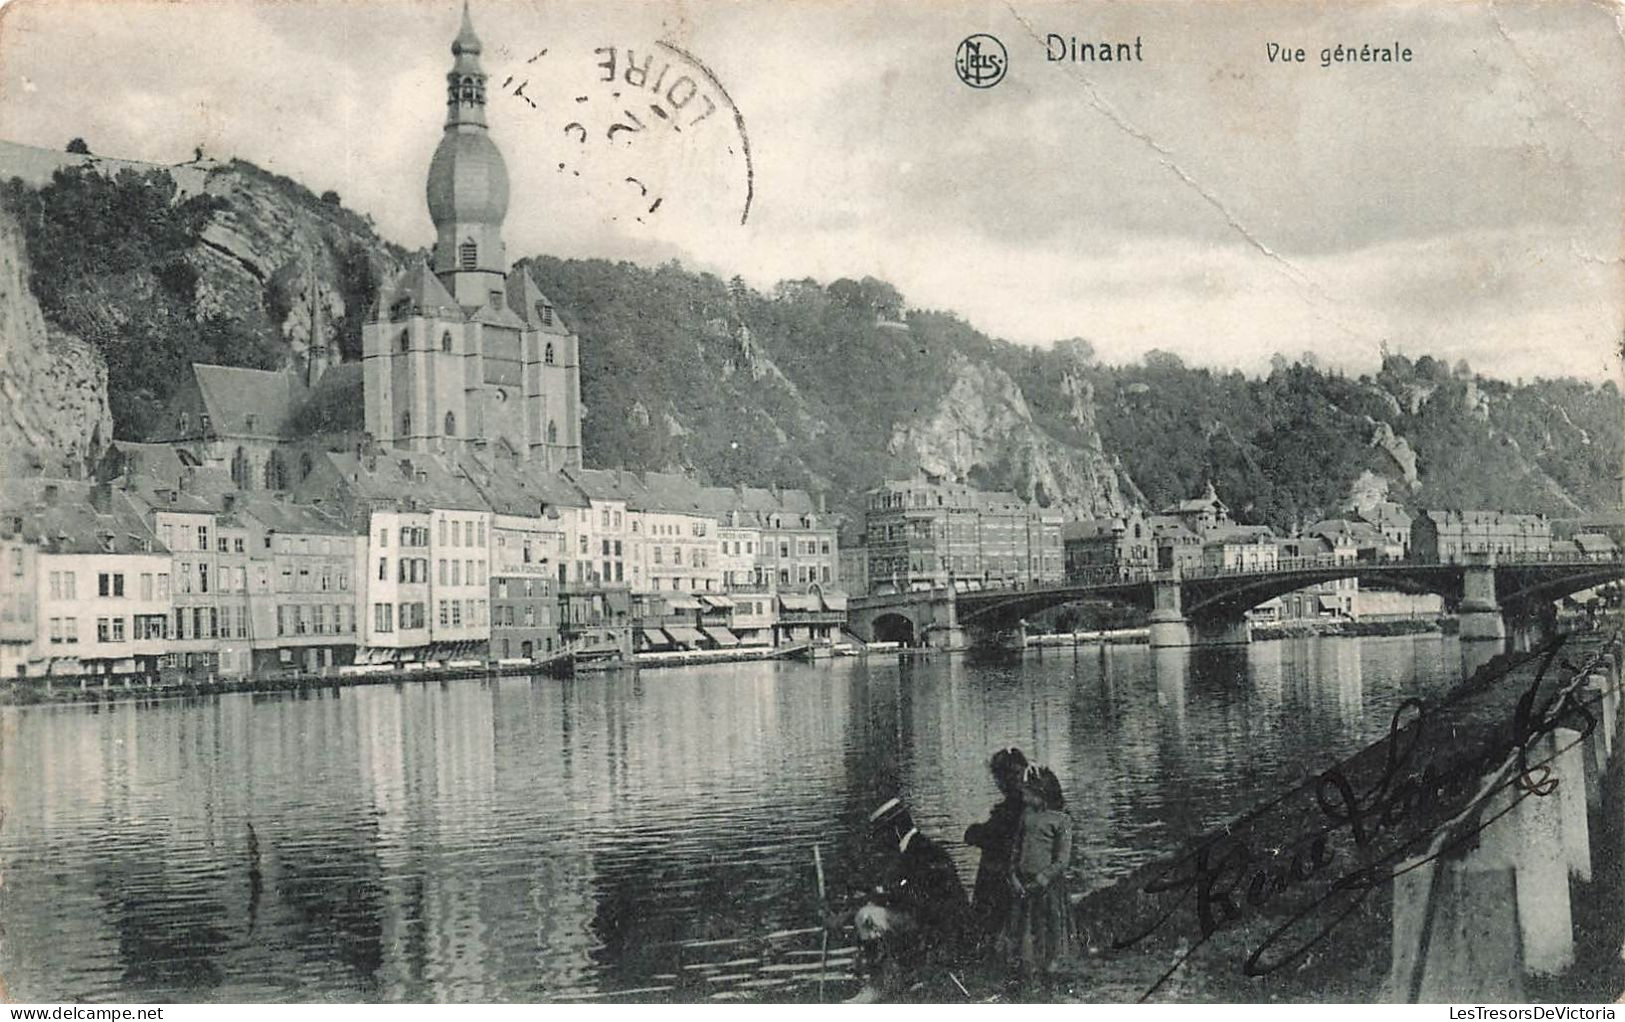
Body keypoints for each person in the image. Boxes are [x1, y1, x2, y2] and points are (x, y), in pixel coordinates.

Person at [837, 797, 971, 1001]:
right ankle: (887, 977)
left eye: (882, 835)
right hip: (936, 922)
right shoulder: (917, 849)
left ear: (896, 831)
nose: (880, 842)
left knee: (867, 916)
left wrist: (876, 897)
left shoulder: (922, 854)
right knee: (872, 911)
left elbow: (917, 901)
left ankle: (878, 984)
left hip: (941, 928)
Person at [1002, 765, 1075, 982]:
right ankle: (1025, 964)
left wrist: (1043, 878)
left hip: (1048, 885)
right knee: (1024, 925)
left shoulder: (1062, 820)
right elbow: (1016, 848)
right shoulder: (1026, 816)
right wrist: (1013, 874)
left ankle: (1052, 965)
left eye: (1027, 792)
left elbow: (1062, 860)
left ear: (1041, 793)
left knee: (1049, 924)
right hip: (1023, 882)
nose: (1023, 796)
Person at [964, 747, 1028, 945]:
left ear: (1001, 780)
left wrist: (976, 829)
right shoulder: (1032, 804)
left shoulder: (1007, 810)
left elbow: (978, 836)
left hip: (1002, 879)